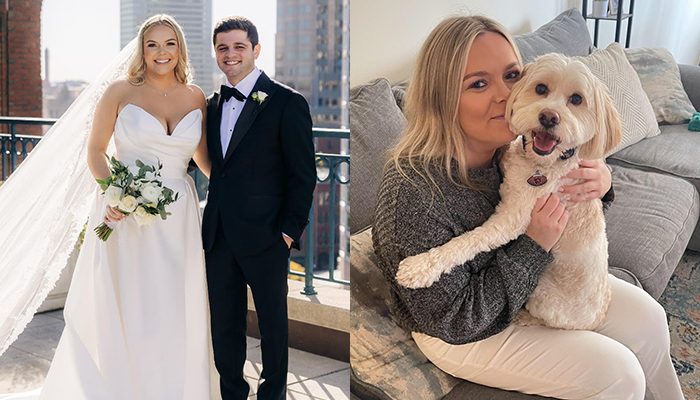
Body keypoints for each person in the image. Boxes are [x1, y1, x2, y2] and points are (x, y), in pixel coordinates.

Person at [372, 15, 684, 400]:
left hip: (532, 282)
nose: (505, 95)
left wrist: (599, 185)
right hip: (457, 329)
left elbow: (562, 213)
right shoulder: (413, 192)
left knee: (650, 319)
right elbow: (454, 319)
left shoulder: (520, 147)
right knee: (619, 375)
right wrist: (534, 245)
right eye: (479, 84)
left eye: (512, 75)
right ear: (441, 97)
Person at [22, 14, 211, 399]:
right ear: (142, 49)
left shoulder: (196, 97)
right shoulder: (120, 92)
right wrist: (116, 195)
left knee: (175, 307)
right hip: (126, 214)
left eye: (169, 44)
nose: (162, 52)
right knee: (132, 306)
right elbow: (95, 151)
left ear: (180, 49)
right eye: (153, 44)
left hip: (180, 218)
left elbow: (206, 163)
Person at [202, 16, 316, 400]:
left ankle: (273, 395)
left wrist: (287, 232)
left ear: (255, 50)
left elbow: (303, 176)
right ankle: (232, 392)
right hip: (219, 235)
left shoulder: (288, 102)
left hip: (267, 236)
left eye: (238, 47)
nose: (230, 55)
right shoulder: (212, 105)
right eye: (222, 48)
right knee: (225, 325)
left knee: (272, 326)